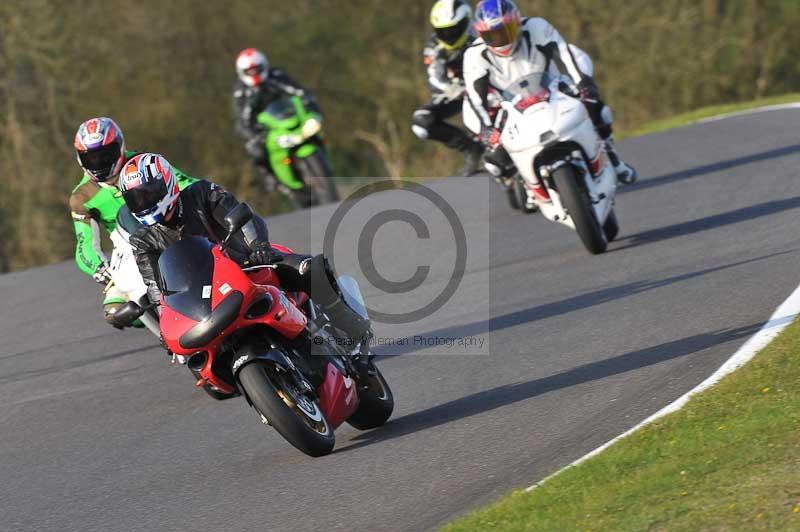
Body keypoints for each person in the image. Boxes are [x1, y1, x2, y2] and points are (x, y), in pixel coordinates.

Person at [119, 153, 369, 346]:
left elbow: (243, 217)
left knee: (308, 268)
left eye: (149, 194)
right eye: (136, 199)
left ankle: (348, 325)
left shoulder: (202, 193)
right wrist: (165, 321)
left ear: (167, 183)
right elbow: (156, 287)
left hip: (247, 264)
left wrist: (259, 247)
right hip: (202, 298)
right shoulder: (144, 242)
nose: (145, 203)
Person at [464, 0, 637, 192]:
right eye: (492, 36)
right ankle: (525, 182)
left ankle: (613, 158)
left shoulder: (537, 26)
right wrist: (486, 128)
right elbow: (474, 98)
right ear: (480, 35)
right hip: (511, 106)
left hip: (553, 88)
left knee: (598, 109)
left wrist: (583, 82)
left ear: (517, 22)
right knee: (494, 164)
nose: (501, 39)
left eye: (505, 30)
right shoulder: (474, 55)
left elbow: (565, 54)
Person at [70, 117, 198, 327]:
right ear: (80, 159)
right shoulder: (82, 196)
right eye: (92, 158)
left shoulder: (146, 162)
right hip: (128, 249)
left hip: (171, 229)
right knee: (115, 311)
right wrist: (101, 270)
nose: (100, 163)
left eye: (106, 155)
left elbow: (187, 183)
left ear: (120, 147)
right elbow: (84, 246)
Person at [412, 0, 485, 176]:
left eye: (453, 28)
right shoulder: (434, 46)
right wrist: (456, 89)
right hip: (457, 91)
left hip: (489, 85)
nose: (448, 34)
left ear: (466, 21)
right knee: (421, 123)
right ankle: (472, 148)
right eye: (442, 30)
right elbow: (435, 77)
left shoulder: (482, 33)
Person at [232, 48, 316, 191]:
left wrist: (309, 103)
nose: (254, 73)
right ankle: (271, 177)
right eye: (250, 71)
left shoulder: (276, 76)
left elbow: (298, 91)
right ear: (242, 72)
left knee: (313, 124)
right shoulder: (240, 91)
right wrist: (252, 135)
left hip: (287, 114)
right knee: (256, 150)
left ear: (264, 65)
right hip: (265, 127)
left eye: (256, 69)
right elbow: (241, 119)